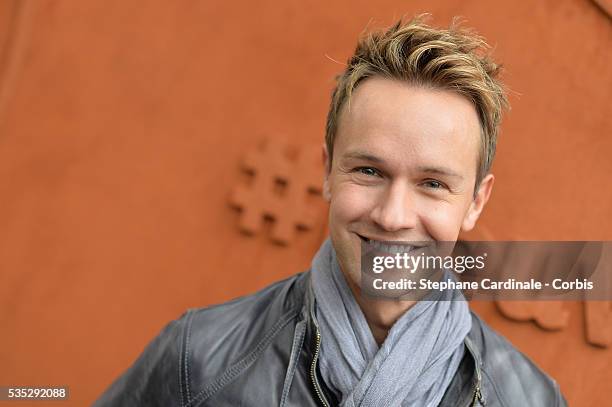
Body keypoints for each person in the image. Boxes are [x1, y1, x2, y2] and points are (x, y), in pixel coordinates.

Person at [94, 16, 567, 406]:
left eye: (432, 183)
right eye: (369, 171)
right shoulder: (198, 360)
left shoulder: (532, 399)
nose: (393, 215)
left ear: (475, 202)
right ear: (327, 172)